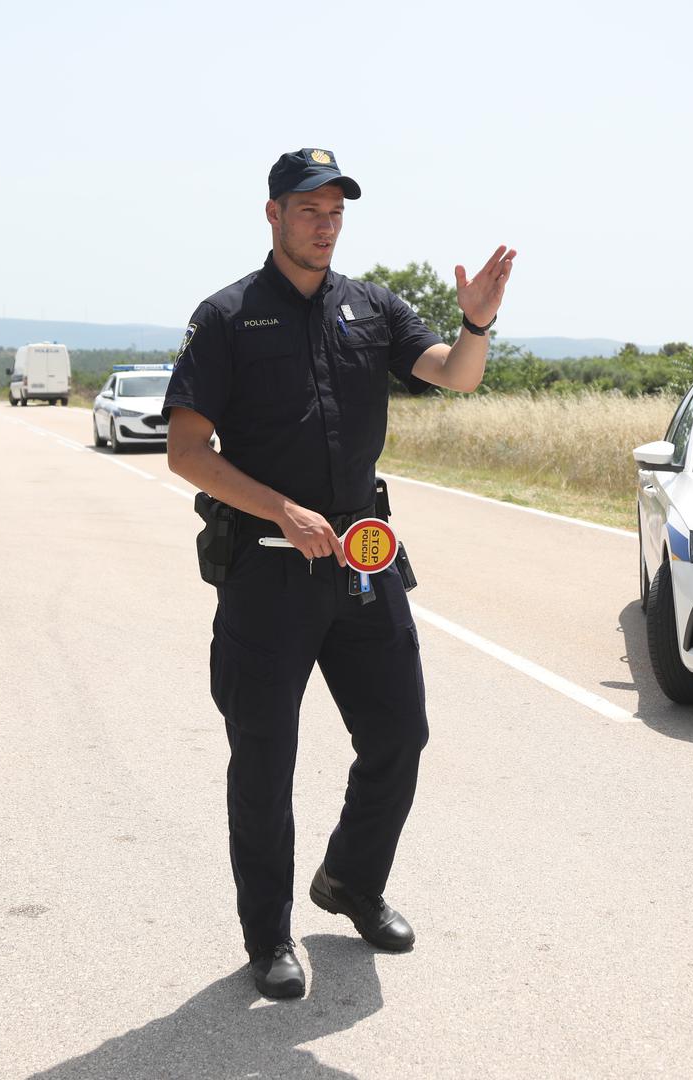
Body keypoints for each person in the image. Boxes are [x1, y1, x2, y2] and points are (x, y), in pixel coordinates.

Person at [163, 148, 515, 1000]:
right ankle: (269, 937)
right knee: (263, 761)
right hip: (268, 573)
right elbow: (185, 453)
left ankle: (351, 882)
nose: (325, 224)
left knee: (399, 734)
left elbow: (455, 378)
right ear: (273, 214)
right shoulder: (226, 317)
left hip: (363, 564)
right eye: (309, 209)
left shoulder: (372, 307)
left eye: (336, 212)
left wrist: (474, 325)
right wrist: (279, 508)